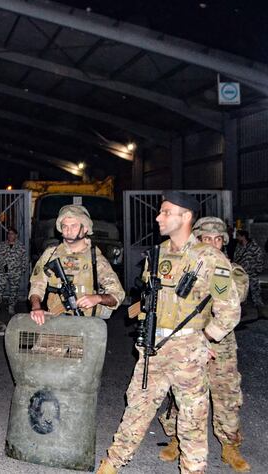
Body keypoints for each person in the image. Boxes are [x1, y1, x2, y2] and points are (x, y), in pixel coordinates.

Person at [97, 192, 241, 474]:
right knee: (136, 409)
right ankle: (111, 464)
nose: (158, 217)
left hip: (188, 350)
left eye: (165, 212)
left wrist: (205, 338)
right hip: (154, 348)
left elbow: (229, 310)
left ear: (186, 216)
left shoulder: (210, 258)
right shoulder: (157, 254)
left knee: (192, 419)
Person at [156, 216, 251, 472]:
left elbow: (234, 296)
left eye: (217, 239)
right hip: (186, 341)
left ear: (224, 243)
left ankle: (229, 446)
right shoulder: (183, 267)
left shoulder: (232, 270)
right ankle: (177, 438)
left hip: (219, 342)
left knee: (226, 394)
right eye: (206, 239)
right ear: (197, 240)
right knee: (182, 393)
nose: (212, 243)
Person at [28, 205, 123, 325]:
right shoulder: (51, 254)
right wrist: (36, 308)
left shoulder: (96, 259)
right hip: (55, 321)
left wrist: (97, 298)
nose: (68, 230)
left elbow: (117, 295)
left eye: (73, 225)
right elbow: (37, 284)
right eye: (64, 226)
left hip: (86, 324)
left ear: (85, 229)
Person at [0, 227, 28, 315]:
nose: (10, 235)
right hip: (3, 272)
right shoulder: (2, 245)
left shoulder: (20, 246)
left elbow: (24, 259)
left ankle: (11, 307)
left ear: (16, 235)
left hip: (15, 272)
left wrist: (22, 270)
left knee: (14, 290)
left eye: (12, 233)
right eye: (8, 233)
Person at [233, 229, 266, 315]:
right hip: (241, 274)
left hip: (252, 273)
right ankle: (242, 312)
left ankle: (261, 311)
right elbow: (236, 257)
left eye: (238, 236)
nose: (237, 238)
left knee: (256, 293)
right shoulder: (238, 246)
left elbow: (260, 258)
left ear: (243, 236)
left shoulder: (254, 247)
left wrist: (257, 269)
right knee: (242, 293)